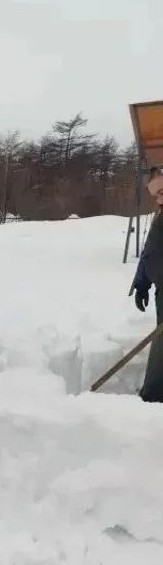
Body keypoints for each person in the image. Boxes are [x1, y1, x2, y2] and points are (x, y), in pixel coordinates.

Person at [130, 167, 163, 402]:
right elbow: (149, 254)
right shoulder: (160, 220)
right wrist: (141, 285)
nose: (159, 200)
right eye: (156, 194)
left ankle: (152, 395)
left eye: (162, 192)